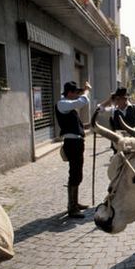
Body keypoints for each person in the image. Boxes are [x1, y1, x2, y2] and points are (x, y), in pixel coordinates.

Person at [55, 81, 91, 218]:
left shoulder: (68, 105)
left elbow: (79, 101)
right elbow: (82, 102)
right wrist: (86, 91)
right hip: (72, 143)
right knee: (75, 173)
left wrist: (83, 91)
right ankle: (72, 207)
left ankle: (74, 203)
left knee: (77, 173)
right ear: (69, 92)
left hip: (76, 142)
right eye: (75, 92)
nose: (77, 95)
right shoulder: (62, 103)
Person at [97, 87, 135, 153]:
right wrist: (109, 100)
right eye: (115, 99)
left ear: (125, 99)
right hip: (119, 143)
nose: (116, 101)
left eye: (118, 99)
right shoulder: (113, 111)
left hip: (133, 142)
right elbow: (99, 110)